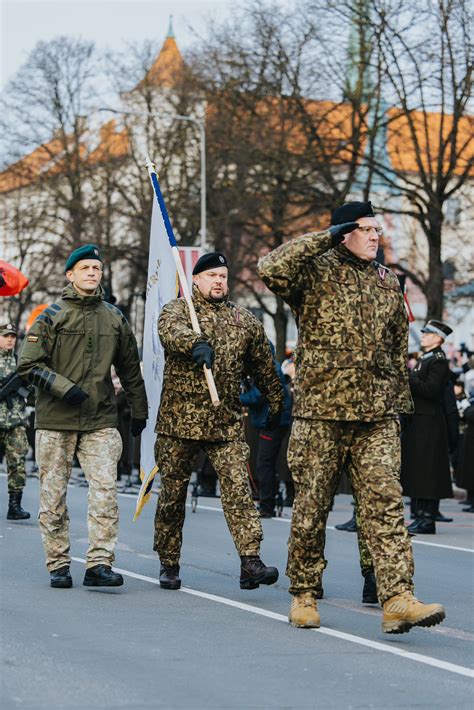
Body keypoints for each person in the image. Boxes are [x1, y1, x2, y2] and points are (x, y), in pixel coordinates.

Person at [258, 200, 446, 633]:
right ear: (343, 232)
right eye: (364, 229)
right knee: (311, 509)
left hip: (376, 416)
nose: (375, 236)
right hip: (322, 414)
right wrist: (324, 236)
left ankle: (397, 597)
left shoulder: (387, 282)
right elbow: (270, 267)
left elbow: (398, 348)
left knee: (385, 509)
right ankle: (304, 592)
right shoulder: (314, 270)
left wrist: (400, 407)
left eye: (377, 229)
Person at [18, 244, 148, 589]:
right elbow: (28, 364)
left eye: (97, 268)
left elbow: (130, 368)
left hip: (100, 419)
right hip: (55, 419)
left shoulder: (114, 316)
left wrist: (140, 410)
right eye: (85, 268)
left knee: (105, 491)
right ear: (70, 274)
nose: (92, 273)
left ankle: (99, 563)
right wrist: (64, 388)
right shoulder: (51, 315)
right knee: (53, 497)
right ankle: (58, 563)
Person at [153, 252, 283, 591]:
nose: (219, 282)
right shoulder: (180, 310)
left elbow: (263, 364)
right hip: (179, 422)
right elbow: (169, 331)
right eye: (212, 276)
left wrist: (276, 400)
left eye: (223, 276)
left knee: (239, 491)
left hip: (224, 423)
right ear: (196, 279)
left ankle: (250, 560)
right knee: (172, 495)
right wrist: (195, 344)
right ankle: (169, 562)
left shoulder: (243, 320)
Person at [401, 320, 454, 534]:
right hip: (421, 421)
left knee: (429, 472)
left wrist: (409, 378)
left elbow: (431, 390)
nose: (423, 336)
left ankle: (428, 518)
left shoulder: (439, 361)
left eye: (427, 334)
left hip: (430, 422)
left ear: (438, 339)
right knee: (420, 471)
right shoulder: (426, 358)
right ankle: (421, 515)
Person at [240, 342, 292, 517]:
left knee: (264, 464)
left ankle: (267, 505)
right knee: (266, 463)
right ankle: (268, 499)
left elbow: (259, 395)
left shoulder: (269, 369)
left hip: (273, 422)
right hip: (270, 420)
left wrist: (238, 398)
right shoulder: (263, 367)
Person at [0, 322, 30, 520]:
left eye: (13, 336)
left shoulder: (21, 362)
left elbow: (30, 389)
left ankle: (14, 506)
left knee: (18, 463)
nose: (10, 339)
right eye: (6, 336)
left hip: (15, 421)